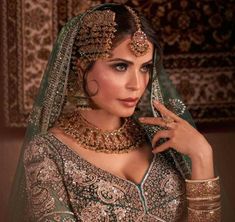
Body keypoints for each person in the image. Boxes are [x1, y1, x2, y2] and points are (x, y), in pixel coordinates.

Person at [8, 3, 221, 222]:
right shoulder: (48, 152)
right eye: (120, 66)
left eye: (145, 67)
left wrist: (202, 154)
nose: (137, 85)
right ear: (83, 68)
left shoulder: (162, 139)